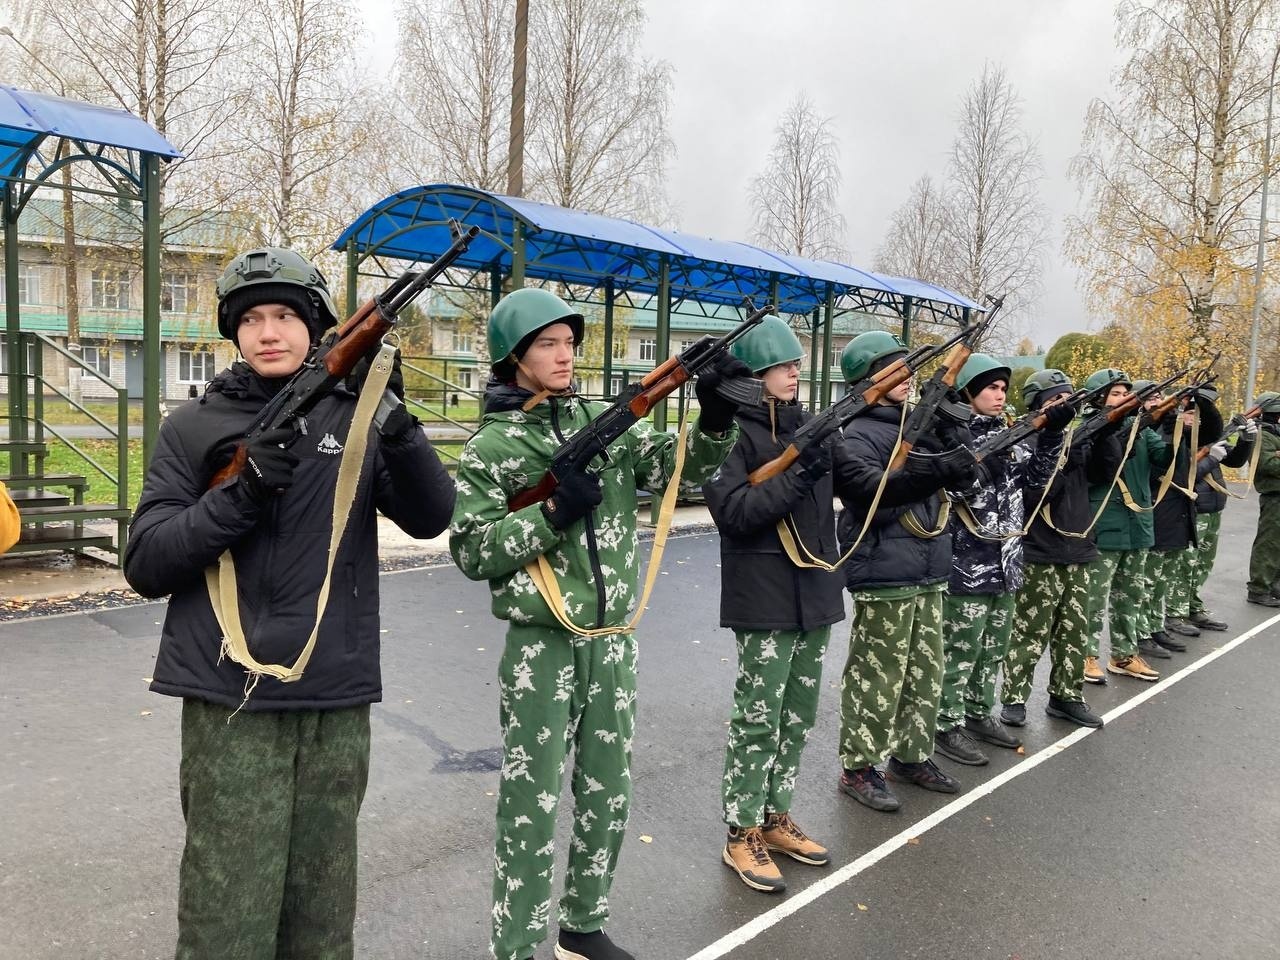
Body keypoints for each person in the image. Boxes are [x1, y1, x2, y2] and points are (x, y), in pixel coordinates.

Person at [123, 247, 455, 959]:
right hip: (227, 696)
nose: (268, 332)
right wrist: (240, 495)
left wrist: (396, 422)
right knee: (227, 913)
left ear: (315, 328)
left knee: (322, 912)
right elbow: (147, 562)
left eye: (285, 316)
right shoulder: (193, 428)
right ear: (233, 334)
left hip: (333, 698)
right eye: (251, 319)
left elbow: (431, 516)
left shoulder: (358, 417)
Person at [449, 287, 744, 960]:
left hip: (613, 643)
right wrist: (549, 515)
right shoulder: (495, 445)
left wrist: (716, 417)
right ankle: (517, 946)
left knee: (608, 794)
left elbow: (684, 471)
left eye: (570, 343)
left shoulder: (607, 422)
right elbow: (471, 549)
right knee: (532, 806)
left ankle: (582, 927)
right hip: (542, 648)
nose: (564, 355)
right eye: (548, 344)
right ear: (514, 357)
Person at [704, 315, 844, 894]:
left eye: (795, 365)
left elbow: (860, 483)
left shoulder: (809, 425)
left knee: (798, 715)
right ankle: (742, 832)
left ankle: (774, 816)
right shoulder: (731, 435)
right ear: (758, 374)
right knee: (758, 718)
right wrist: (800, 472)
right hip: (762, 596)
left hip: (813, 591)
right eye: (783, 365)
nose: (794, 373)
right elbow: (734, 513)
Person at [831, 330, 978, 813]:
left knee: (925, 672)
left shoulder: (919, 426)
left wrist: (954, 448)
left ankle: (912, 756)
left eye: (906, 367)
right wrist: (933, 470)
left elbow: (966, 483)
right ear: (866, 380)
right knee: (879, 674)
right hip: (884, 570)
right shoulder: (855, 434)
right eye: (892, 368)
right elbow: (871, 494)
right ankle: (858, 767)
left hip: (930, 564)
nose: (906, 376)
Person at [934, 356, 1069, 765]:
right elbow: (949, 493)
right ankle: (946, 723)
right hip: (967, 563)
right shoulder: (950, 437)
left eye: (1003, 389)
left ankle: (978, 711)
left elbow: (1036, 484)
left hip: (1006, 560)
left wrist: (1050, 437)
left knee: (992, 648)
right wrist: (981, 465)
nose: (999, 395)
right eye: (990, 388)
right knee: (960, 648)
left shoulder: (1009, 435)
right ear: (969, 393)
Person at [1001, 369, 1124, 726]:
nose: (1064, 404)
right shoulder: (1024, 439)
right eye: (1055, 399)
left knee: (1074, 631)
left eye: (1067, 397)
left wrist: (1107, 433)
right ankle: (1014, 698)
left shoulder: (1074, 435)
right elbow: (1033, 497)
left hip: (1077, 546)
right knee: (1030, 631)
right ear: (1036, 405)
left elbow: (1106, 473)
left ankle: (1066, 695)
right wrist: (1059, 451)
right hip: (1039, 549)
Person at [1082, 368, 1172, 682]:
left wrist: (1176, 430)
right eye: (1117, 394)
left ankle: (1123, 654)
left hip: (1138, 524)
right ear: (1098, 398)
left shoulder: (1141, 427)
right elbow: (1101, 463)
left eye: (1126, 393)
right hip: (1106, 522)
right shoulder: (1089, 429)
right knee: (1093, 598)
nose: (1125, 399)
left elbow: (1164, 458)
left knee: (1131, 596)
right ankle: (1086, 655)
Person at [1135, 384, 1223, 656]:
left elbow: (1211, 430)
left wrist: (1200, 400)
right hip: (1157, 511)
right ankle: (1141, 632)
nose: (1158, 402)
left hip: (1178, 513)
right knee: (1147, 581)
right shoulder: (1149, 431)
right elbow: (1169, 471)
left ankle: (1155, 626)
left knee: (1162, 580)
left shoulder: (1177, 429)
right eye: (1151, 399)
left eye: (1159, 397)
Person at [1167, 388, 1257, 630]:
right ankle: (1175, 612)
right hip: (1192, 509)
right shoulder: (1178, 439)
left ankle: (1192, 605)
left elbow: (1235, 461)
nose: (1193, 419)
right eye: (1188, 415)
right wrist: (1211, 457)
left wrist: (1246, 440)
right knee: (1186, 563)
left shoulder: (1207, 436)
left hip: (1213, 508)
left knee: (1203, 563)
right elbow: (1185, 477)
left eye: (1196, 415)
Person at [1247, 391, 1280, 606]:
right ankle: (1259, 588)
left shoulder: (1274, 434)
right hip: (1274, 496)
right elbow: (1267, 464)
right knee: (1269, 543)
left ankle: (1274, 583)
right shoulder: (1263, 434)